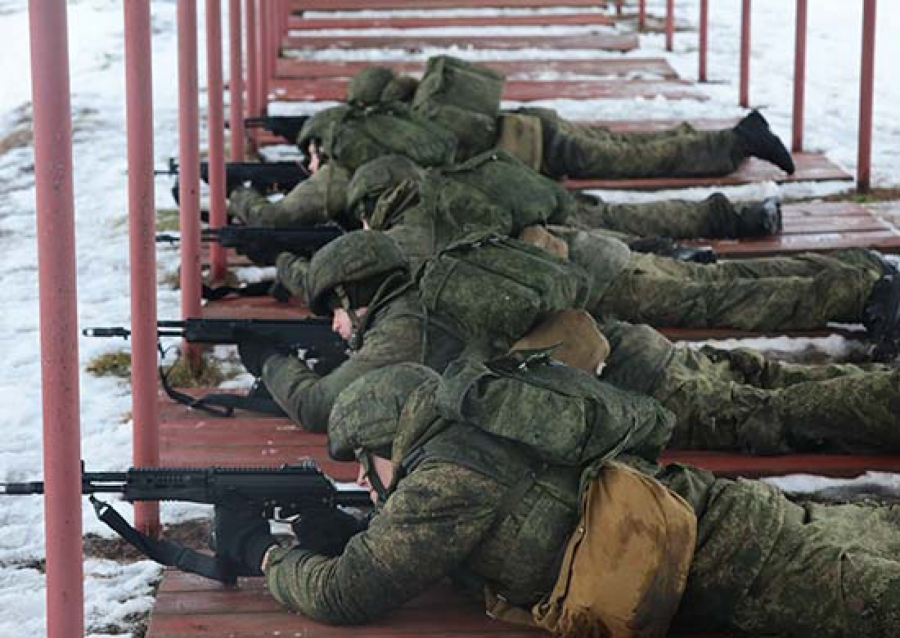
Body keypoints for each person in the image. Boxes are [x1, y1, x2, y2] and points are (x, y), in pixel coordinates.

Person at [215, 363, 900, 636]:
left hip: (743, 567)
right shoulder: (470, 430)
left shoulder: (445, 478)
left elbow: (346, 596)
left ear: (386, 440)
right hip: (724, 519)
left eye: (366, 465)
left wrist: (267, 557)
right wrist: (360, 531)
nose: (365, 481)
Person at [266, 230, 900, 454]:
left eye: (336, 311)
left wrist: (268, 362)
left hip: (627, 389)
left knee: (770, 415)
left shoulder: (404, 329)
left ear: (358, 294)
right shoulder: (426, 289)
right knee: (770, 384)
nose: (336, 326)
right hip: (622, 349)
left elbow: (321, 407)